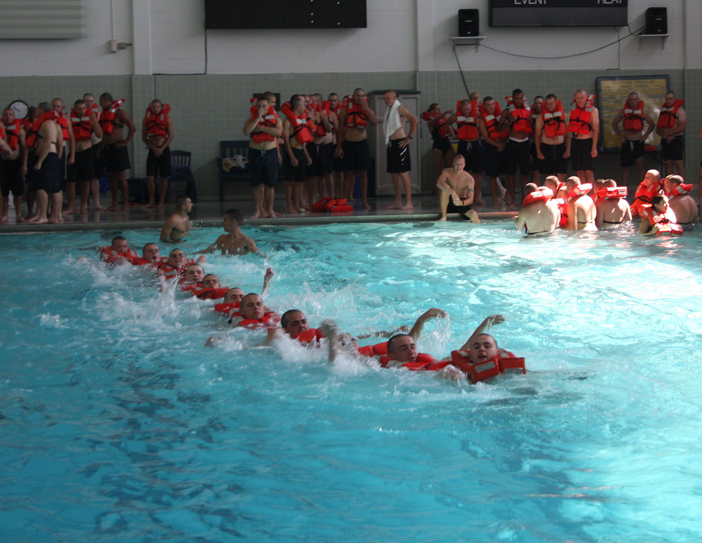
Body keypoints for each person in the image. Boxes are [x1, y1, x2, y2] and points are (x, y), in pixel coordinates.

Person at [336, 88, 378, 210]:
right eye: (358, 96)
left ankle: (364, 202)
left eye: (362, 96)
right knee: (348, 173)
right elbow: (340, 130)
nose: (360, 98)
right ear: (353, 97)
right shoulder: (345, 110)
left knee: (363, 173)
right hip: (348, 144)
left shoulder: (367, 110)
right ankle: (344, 200)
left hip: (362, 144)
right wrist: (339, 146)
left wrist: (367, 108)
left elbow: (375, 122)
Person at [243, 95, 283, 219]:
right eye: (259, 106)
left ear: (269, 106)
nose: (261, 108)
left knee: (270, 184)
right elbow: (246, 131)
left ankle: (270, 210)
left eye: (264, 106)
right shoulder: (250, 119)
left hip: (270, 152)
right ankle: (257, 211)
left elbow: (278, 132)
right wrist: (257, 119)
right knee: (256, 184)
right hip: (255, 153)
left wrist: (261, 128)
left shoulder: (277, 120)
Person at [98, 93, 136, 211]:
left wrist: (125, 143)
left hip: (118, 148)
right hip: (108, 149)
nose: (100, 104)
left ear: (108, 101)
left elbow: (133, 127)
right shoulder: (104, 115)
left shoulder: (119, 113)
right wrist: (100, 148)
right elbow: (105, 134)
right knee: (111, 177)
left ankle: (125, 203)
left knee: (121, 177)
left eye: (102, 102)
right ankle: (114, 203)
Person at [27, 102, 63, 224]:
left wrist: (39, 162)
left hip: (47, 157)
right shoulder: (52, 123)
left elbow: (48, 145)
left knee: (41, 187)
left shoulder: (47, 124)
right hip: (51, 158)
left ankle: (43, 216)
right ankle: (54, 216)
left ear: (42, 110)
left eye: (37, 108)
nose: (35, 111)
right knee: (54, 188)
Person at [496, 89, 533, 206]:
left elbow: (532, 128)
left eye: (520, 98)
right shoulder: (507, 111)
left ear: (523, 98)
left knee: (525, 173)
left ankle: (524, 196)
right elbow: (498, 128)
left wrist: (530, 122)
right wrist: (509, 123)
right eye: (516, 98)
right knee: (510, 173)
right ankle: (512, 196)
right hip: (512, 143)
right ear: (512, 98)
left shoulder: (528, 111)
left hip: (525, 143)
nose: (518, 100)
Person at [382, 90, 417, 210]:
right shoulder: (389, 110)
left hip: (400, 143)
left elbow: (414, 120)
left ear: (394, 98)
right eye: (385, 99)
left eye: (388, 98)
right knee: (394, 174)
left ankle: (409, 202)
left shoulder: (399, 108)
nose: (386, 101)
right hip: (392, 144)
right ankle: (397, 202)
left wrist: (409, 138)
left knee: (403, 173)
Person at [611, 92, 655, 187]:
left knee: (640, 166)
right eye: (631, 99)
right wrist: (619, 136)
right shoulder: (623, 112)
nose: (633, 101)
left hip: (638, 142)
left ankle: (641, 188)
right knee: (625, 167)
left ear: (638, 101)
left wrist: (645, 136)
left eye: (635, 99)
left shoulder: (643, 112)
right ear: (628, 100)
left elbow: (652, 124)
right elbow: (614, 123)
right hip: (626, 141)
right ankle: (624, 190)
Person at [67, 99, 103, 214]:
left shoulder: (90, 117)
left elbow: (100, 134)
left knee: (86, 181)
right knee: (71, 181)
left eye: (83, 109)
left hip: (87, 151)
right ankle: (70, 207)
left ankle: (83, 207)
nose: (81, 111)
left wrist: (93, 120)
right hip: (74, 152)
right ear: (75, 109)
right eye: (79, 109)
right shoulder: (69, 118)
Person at [446, 98, 484, 205]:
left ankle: (477, 197)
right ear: (461, 109)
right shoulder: (456, 116)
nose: (466, 112)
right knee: (463, 171)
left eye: (468, 110)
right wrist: (453, 135)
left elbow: (484, 119)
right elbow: (447, 123)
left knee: (477, 172)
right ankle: (464, 196)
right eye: (464, 110)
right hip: (463, 143)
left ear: (471, 108)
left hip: (475, 143)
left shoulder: (477, 114)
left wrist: (481, 131)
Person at [281, 95, 313, 213]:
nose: (306, 106)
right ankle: (289, 205)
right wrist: (292, 156)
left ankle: (298, 205)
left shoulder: (301, 119)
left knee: (300, 181)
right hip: (293, 152)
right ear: (299, 106)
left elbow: (302, 139)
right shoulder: (288, 121)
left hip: (301, 152)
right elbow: (286, 141)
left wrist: (307, 155)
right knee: (290, 181)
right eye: (304, 104)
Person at [142, 99, 174, 208]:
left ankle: (161, 201)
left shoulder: (168, 119)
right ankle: (151, 201)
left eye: (157, 107)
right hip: (152, 149)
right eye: (154, 107)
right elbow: (144, 137)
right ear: (150, 107)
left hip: (164, 149)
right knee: (150, 177)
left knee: (163, 177)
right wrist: (154, 148)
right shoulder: (146, 119)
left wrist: (161, 149)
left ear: (161, 107)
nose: (155, 109)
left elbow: (170, 136)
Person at [564, 89, 600, 185]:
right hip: (576, 142)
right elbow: (568, 132)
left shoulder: (593, 110)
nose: (580, 100)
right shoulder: (571, 112)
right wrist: (568, 149)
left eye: (582, 98)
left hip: (588, 142)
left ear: (586, 98)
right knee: (579, 171)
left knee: (589, 171)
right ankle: (584, 195)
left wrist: (594, 148)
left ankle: (592, 197)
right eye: (578, 98)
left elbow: (596, 130)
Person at [478, 96, 509, 206]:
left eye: (492, 104)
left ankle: (508, 197)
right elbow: (486, 138)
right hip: (492, 148)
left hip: (504, 146)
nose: (491, 107)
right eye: (488, 105)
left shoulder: (500, 116)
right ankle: (495, 199)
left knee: (508, 173)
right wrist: (498, 145)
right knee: (493, 175)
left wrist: (503, 144)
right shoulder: (482, 120)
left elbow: (507, 130)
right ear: (484, 106)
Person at [534, 94, 569, 184]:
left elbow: (568, 134)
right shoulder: (540, 117)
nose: (549, 106)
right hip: (546, 148)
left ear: (556, 103)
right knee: (549, 177)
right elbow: (537, 136)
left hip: (560, 148)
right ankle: (552, 196)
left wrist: (568, 150)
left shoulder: (564, 116)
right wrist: (538, 152)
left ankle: (561, 195)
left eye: (551, 104)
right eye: (547, 104)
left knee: (562, 175)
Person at [1, 108, 28, 224]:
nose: (8, 117)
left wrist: (24, 165)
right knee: (4, 191)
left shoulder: (20, 130)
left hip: (16, 162)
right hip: (2, 163)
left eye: (10, 115)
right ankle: (4, 215)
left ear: (14, 116)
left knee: (17, 191)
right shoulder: (1, 129)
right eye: (6, 115)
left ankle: (18, 214)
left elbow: (24, 149)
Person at [436, 154, 480, 222]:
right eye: (457, 164)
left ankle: (478, 231)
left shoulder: (469, 179)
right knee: (445, 189)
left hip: (461, 202)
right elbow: (439, 183)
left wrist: (461, 203)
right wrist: (452, 192)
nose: (459, 166)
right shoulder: (447, 172)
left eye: (461, 164)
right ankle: (444, 216)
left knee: (474, 214)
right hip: (448, 202)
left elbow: (471, 199)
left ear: (464, 165)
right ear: (453, 163)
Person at [423, 103, 455, 191]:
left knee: (451, 169)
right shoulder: (430, 123)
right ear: (431, 111)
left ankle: (452, 190)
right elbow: (436, 120)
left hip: (447, 144)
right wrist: (444, 113)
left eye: (440, 109)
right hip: (438, 147)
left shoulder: (445, 120)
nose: (439, 111)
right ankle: (438, 192)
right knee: (438, 170)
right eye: (437, 109)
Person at [656, 91, 686, 180]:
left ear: (674, 99)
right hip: (665, 140)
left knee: (678, 163)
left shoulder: (680, 111)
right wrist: (665, 136)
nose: (668, 101)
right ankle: (670, 185)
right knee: (668, 163)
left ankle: (682, 186)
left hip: (676, 140)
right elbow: (657, 129)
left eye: (670, 98)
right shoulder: (663, 112)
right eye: (666, 99)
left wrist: (668, 133)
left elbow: (682, 127)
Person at [82, 93, 104, 211]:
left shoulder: (98, 115)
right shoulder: (78, 116)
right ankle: (84, 204)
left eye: (91, 101)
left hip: (96, 145)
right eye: (86, 101)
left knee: (95, 176)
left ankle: (97, 202)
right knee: (85, 177)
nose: (88, 103)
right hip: (84, 147)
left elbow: (100, 133)